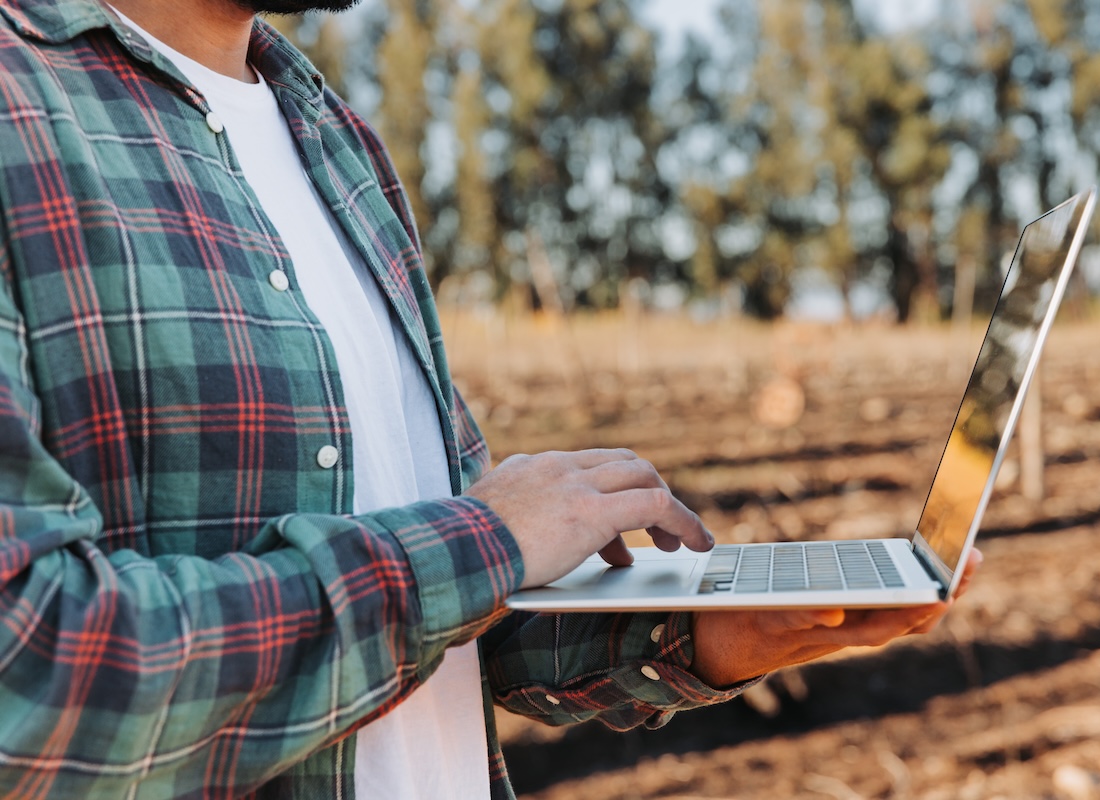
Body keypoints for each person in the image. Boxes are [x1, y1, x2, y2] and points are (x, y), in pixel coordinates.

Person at [0, 0, 981, 796]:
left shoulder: (330, 132)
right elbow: (26, 674)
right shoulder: (17, 107)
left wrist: (710, 632)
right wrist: (486, 539)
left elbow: (460, 604)